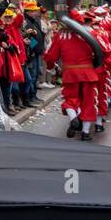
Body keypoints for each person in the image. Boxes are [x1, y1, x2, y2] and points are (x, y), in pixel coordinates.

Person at [43, 9, 101, 141]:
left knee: (70, 100)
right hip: (88, 73)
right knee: (89, 101)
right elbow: (102, 51)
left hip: (70, 73)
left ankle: (74, 118)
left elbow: (51, 56)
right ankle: (85, 132)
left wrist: (51, 67)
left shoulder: (60, 35)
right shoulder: (91, 33)